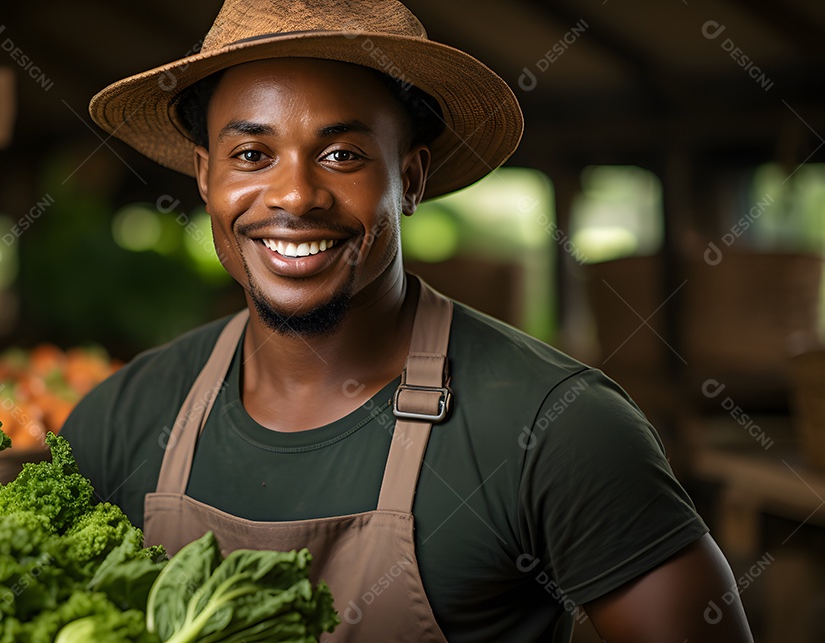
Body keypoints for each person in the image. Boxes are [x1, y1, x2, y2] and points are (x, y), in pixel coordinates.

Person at [65, 0, 755, 640]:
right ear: (204, 175)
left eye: (343, 155)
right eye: (252, 155)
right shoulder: (120, 421)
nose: (296, 194)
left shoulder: (560, 428)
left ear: (412, 177)